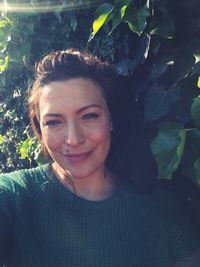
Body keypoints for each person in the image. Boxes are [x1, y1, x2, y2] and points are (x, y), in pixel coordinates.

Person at [0, 49, 199, 267]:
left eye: (89, 116)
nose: (73, 139)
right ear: (40, 128)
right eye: (54, 122)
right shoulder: (13, 197)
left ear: (110, 119)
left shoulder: (158, 205)